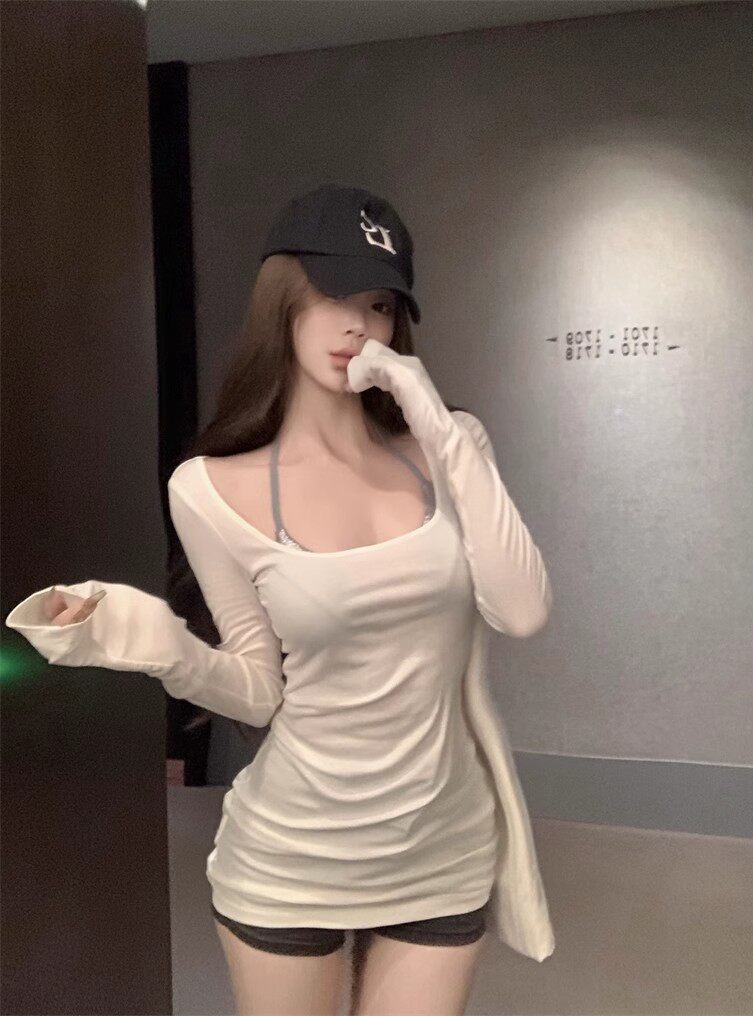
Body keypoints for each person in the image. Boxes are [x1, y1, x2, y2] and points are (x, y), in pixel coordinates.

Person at [6, 184, 556, 1016]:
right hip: (294, 857)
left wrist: (434, 420)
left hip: (442, 849)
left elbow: (522, 610)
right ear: (283, 302)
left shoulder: (450, 449)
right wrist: (150, 640)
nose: (358, 326)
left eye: (379, 305)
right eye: (335, 295)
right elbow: (259, 691)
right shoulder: (206, 489)